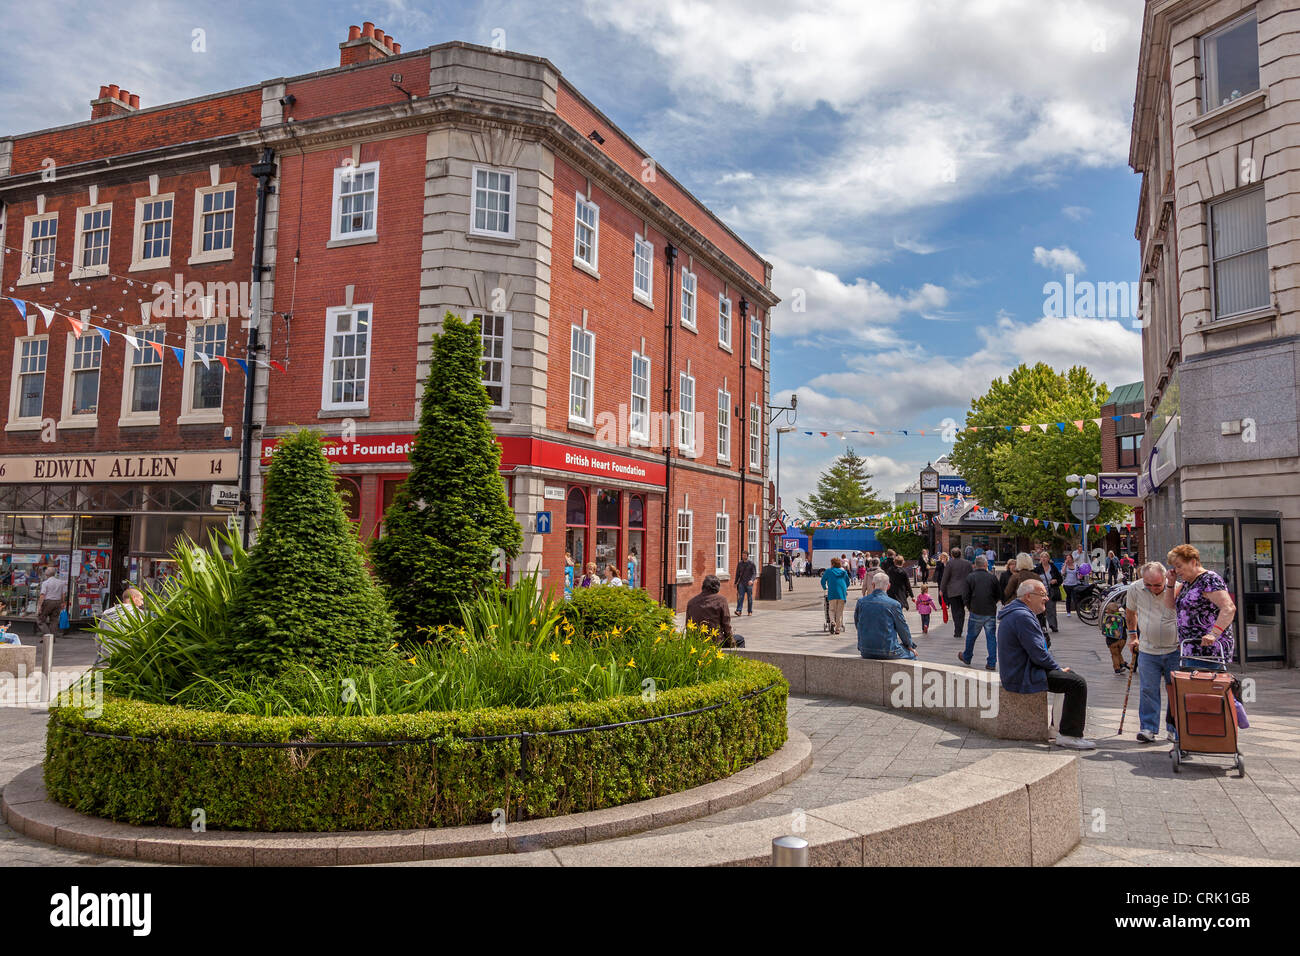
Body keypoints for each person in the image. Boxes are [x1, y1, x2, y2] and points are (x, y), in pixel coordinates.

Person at [999, 579, 1095, 749]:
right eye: (1043, 594)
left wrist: (1058, 669)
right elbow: (1039, 653)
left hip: (1022, 669)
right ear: (1028, 596)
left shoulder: (1019, 612)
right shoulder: (1022, 616)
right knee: (1077, 683)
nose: (1047, 598)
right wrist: (1057, 668)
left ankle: (1057, 729)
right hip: (1023, 674)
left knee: (1070, 676)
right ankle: (1070, 735)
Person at [1125, 561, 1181, 743]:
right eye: (1148, 584)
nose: (1153, 588)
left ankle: (1174, 729)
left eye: (1157, 585)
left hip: (1175, 649)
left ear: (1165, 578)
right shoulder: (1135, 588)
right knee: (1148, 689)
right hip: (1148, 649)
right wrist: (1133, 636)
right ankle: (1148, 728)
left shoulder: (1177, 588)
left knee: (1175, 690)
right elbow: (1130, 612)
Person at [1168, 543, 1237, 662]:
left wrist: (1213, 634)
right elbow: (1169, 605)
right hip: (1191, 648)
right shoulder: (1187, 583)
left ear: (1193, 562)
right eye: (1175, 567)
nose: (1177, 571)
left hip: (1208, 650)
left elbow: (1229, 608)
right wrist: (1170, 583)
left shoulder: (1209, 579)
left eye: (1179, 566)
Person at [854, 572, 916, 660]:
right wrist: (909, 645)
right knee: (912, 655)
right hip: (887, 650)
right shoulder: (894, 604)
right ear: (888, 586)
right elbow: (902, 628)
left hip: (865, 650)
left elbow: (857, 623)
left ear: (873, 584)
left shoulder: (861, 602)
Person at [958, 555, 1000, 670]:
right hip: (990, 611)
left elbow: (965, 595)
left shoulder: (970, 577)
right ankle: (991, 662)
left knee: (971, 636)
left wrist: (969, 607)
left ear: (975, 565)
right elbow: (998, 595)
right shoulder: (993, 578)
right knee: (991, 638)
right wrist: (993, 603)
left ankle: (967, 657)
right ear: (986, 565)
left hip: (976, 610)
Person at [686, 574, 744, 647]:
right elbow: (726, 624)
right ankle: (737, 658)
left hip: (696, 642)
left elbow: (687, 625)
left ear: (703, 586)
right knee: (740, 639)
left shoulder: (691, 602)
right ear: (717, 588)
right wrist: (731, 641)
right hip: (715, 642)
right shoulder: (721, 600)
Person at [939, 546, 973, 641]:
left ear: (952, 555)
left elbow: (945, 577)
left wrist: (942, 589)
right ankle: (960, 629)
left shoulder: (950, 564)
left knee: (955, 610)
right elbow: (972, 576)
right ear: (960, 554)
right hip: (965, 590)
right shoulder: (967, 563)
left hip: (953, 591)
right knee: (961, 610)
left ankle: (957, 630)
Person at [1034, 551, 1062, 636]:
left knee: (1051, 609)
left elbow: (1060, 579)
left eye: (1045, 557)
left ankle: (1053, 625)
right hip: (1040, 593)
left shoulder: (1053, 567)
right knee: (1041, 610)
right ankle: (1042, 626)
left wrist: (1056, 581)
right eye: (1042, 557)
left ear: (1048, 559)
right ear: (1040, 559)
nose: (1043, 559)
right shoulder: (1037, 569)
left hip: (1051, 592)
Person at [821, 556, 851, 634]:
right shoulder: (844, 572)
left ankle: (832, 622)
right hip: (842, 594)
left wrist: (825, 587)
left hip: (832, 593)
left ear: (833, 564)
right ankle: (838, 629)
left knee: (831, 609)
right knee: (839, 611)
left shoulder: (828, 571)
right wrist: (844, 588)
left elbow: (822, 581)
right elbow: (848, 582)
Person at [36, 567, 66, 638]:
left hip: (48, 602)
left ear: (47, 573)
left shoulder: (45, 583)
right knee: (54, 620)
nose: (45, 570)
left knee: (40, 619)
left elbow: (42, 595)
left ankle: (48, 636)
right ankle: (52, 637)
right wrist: (62, 603)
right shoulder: (60, 582)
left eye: (46, 570)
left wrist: (39, 605)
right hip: (57, 602)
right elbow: (63, 594)